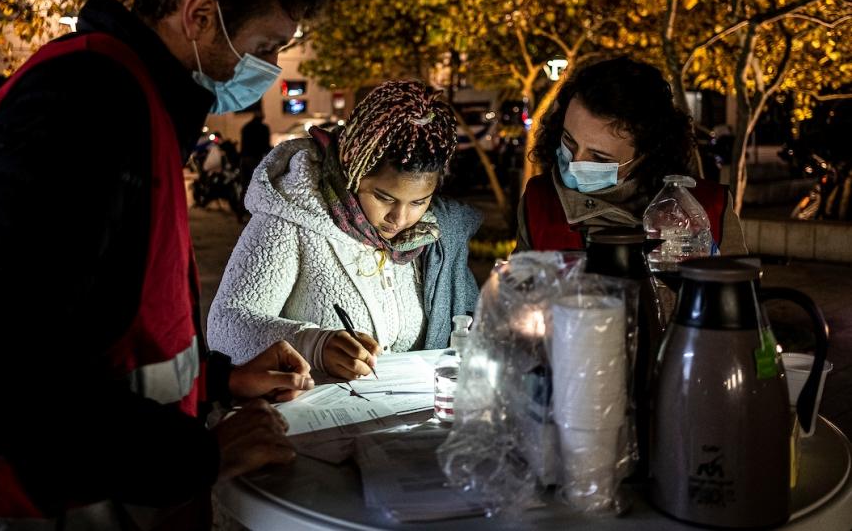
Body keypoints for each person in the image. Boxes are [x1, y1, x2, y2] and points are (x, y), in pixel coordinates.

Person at [0, 0, 329, 529]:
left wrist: (214, 381)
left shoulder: (129, 98)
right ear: (200, 15)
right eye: (264, 45)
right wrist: (195, 455)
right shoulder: (85, 110)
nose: (273, 66)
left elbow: (91, 338)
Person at [207, 80, 483, 380]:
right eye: (383, 197)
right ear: (353, 174)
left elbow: (473, 324)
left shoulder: (434, 237)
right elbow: (225, 325)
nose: (400, 218)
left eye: (419, 201)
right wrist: (313, 345)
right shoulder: (292, 216)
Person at [517, 56, 747, 254]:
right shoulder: (540, 202)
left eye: (599, 158)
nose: (576, 162)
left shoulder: (708, 208)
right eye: (569, 140)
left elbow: (737, 300)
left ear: (645, 156)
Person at [239, 108, 272, 190]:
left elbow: (242, 144)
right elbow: (266, 145)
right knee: (256, 183)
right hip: (256, 158)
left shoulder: (246, 127)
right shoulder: (264, 128)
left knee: (246, 184)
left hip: (245, 158)